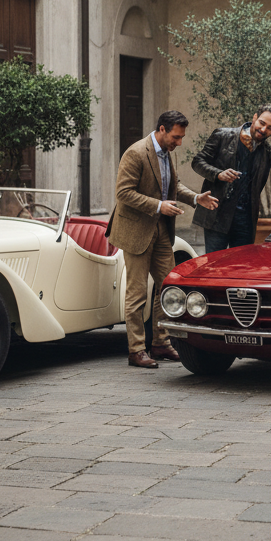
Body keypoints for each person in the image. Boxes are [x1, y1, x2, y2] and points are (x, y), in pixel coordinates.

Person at [106, 110, 218, 368]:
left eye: (181, 138)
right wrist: (158, 206)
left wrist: (194, 198)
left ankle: (160, 343)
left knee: (168, 287)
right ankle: (136, 350)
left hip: (161, 232)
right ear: (162, 129)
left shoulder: (167, 154)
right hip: (136, 232)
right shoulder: (135, 153)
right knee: (136, 294)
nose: (179, 143)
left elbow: (172, 186)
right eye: (176, 137)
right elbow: (123, 193)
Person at [192, 104, 271, 252]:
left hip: (246, 220)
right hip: (217, 215)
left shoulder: (268, 151)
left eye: (270, 128)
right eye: (262, 123)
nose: (264, 129)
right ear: (255, 117)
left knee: (241, 268)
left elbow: (258, 185)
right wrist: (218, 174)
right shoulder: (222, 136)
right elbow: (197, 162)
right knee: (215, 266)